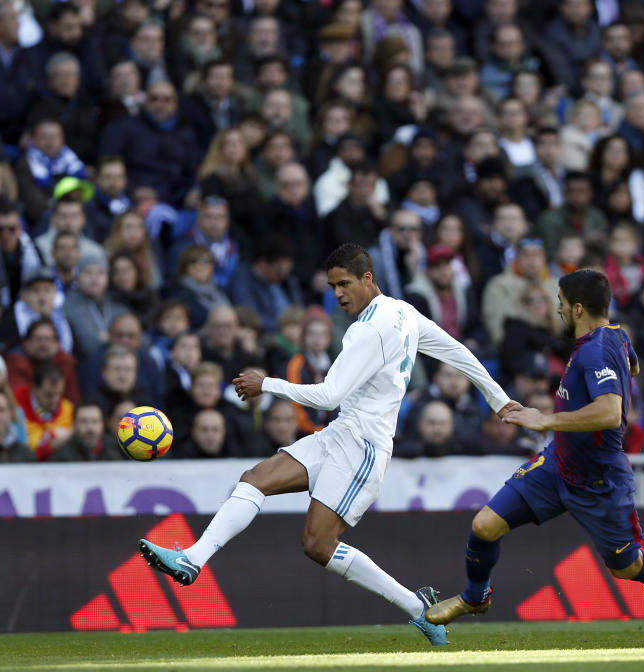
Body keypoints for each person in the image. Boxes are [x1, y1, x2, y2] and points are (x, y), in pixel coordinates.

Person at [138, 243, 519, 646]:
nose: (338, 293)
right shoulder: (401, 311)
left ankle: (417, 610)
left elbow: (328, 395)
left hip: (364, 447)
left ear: (368, 279)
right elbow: (454, 350)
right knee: (255, 478)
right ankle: (193, 559)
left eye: (345, 283)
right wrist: (498, 399)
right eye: (333, 285)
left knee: (318, 545)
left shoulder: (369, 329)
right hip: (341, 433)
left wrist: (266, 383)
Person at [424, 269, 644, 642]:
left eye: (561, 304)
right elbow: (631, 360)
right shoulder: (614, 335)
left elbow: (611, 413)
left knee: (627, 566)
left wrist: (545, 419)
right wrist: (625, 367)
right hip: (557, 465)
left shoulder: (595, 349)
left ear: (578, 309)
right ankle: (475, 597)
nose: (558, 310)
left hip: (600, 480)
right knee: (485, 525)